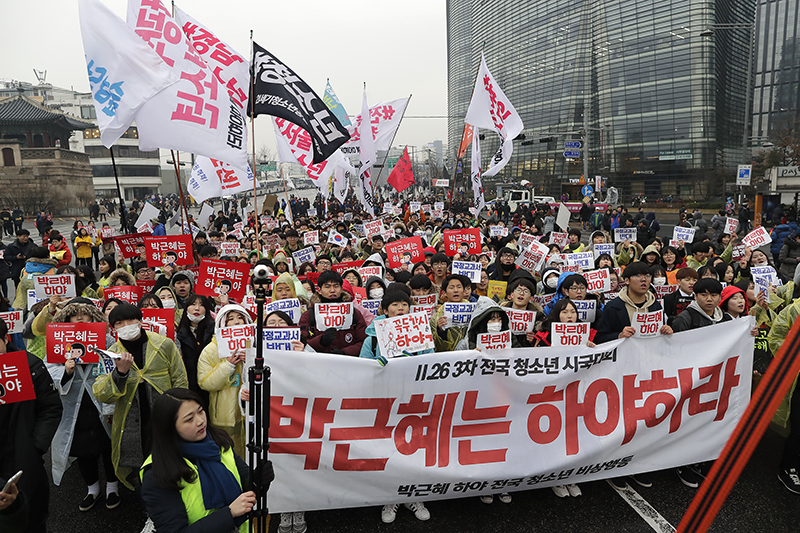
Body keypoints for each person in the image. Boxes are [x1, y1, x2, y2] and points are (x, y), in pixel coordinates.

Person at [140, 388, 274, 533]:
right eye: (189, 419)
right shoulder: (157, 473)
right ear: (169, 428)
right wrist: (229, 514)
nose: (200, 421)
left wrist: (258, 481)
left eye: (201, 411)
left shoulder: (218, 441)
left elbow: (246, 491)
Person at [92, 303, 188, 489]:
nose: (126, 325)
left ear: (140, 321)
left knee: (168, 461)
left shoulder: (163, 344)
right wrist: (120, 374)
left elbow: (180, 379)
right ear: (113, 328)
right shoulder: (111, 354)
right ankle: (148, 507)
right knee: (139, 469)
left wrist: (180, 410)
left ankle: (172, 504)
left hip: (163, 414)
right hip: (130, 421)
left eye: (131, 320)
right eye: (119, 323)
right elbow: (101, 392)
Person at [44, 299, 119, 511]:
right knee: (83, 449)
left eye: (84, 314)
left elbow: (113, 362)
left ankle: (113, 486)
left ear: (93, 316)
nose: (79, 318)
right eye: (73, 314)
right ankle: (92, 488)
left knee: (108, 444)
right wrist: (66, 372)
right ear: (66, 318)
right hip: (74, 404)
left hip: (100, 400)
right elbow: (49, 369)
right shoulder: (57, 340)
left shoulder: (105, 338)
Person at [0, 317, 62, 533]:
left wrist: (34, 446)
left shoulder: (29, 365)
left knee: (29, 519)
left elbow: (50, 408)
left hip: (22, 457)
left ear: (5, 339)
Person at [298, 270, 367, 355]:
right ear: (319, 290)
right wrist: (321, 341)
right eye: (327, 287)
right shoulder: (309, 316)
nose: (332, 290)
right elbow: (302, 344)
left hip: (348, 364)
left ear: (341, 289)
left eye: (336, 286)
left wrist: (345, 352)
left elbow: (364, 342)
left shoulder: (354, 313)